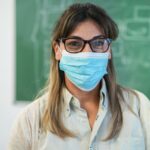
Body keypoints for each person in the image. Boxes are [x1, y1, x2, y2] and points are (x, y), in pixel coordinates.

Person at [8, 3, 150, 150]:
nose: (87, 53)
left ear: (108, 50)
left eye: (98, 42)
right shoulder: (30, 120)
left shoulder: (139, 108)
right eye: (75, 43)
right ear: (58, 50)